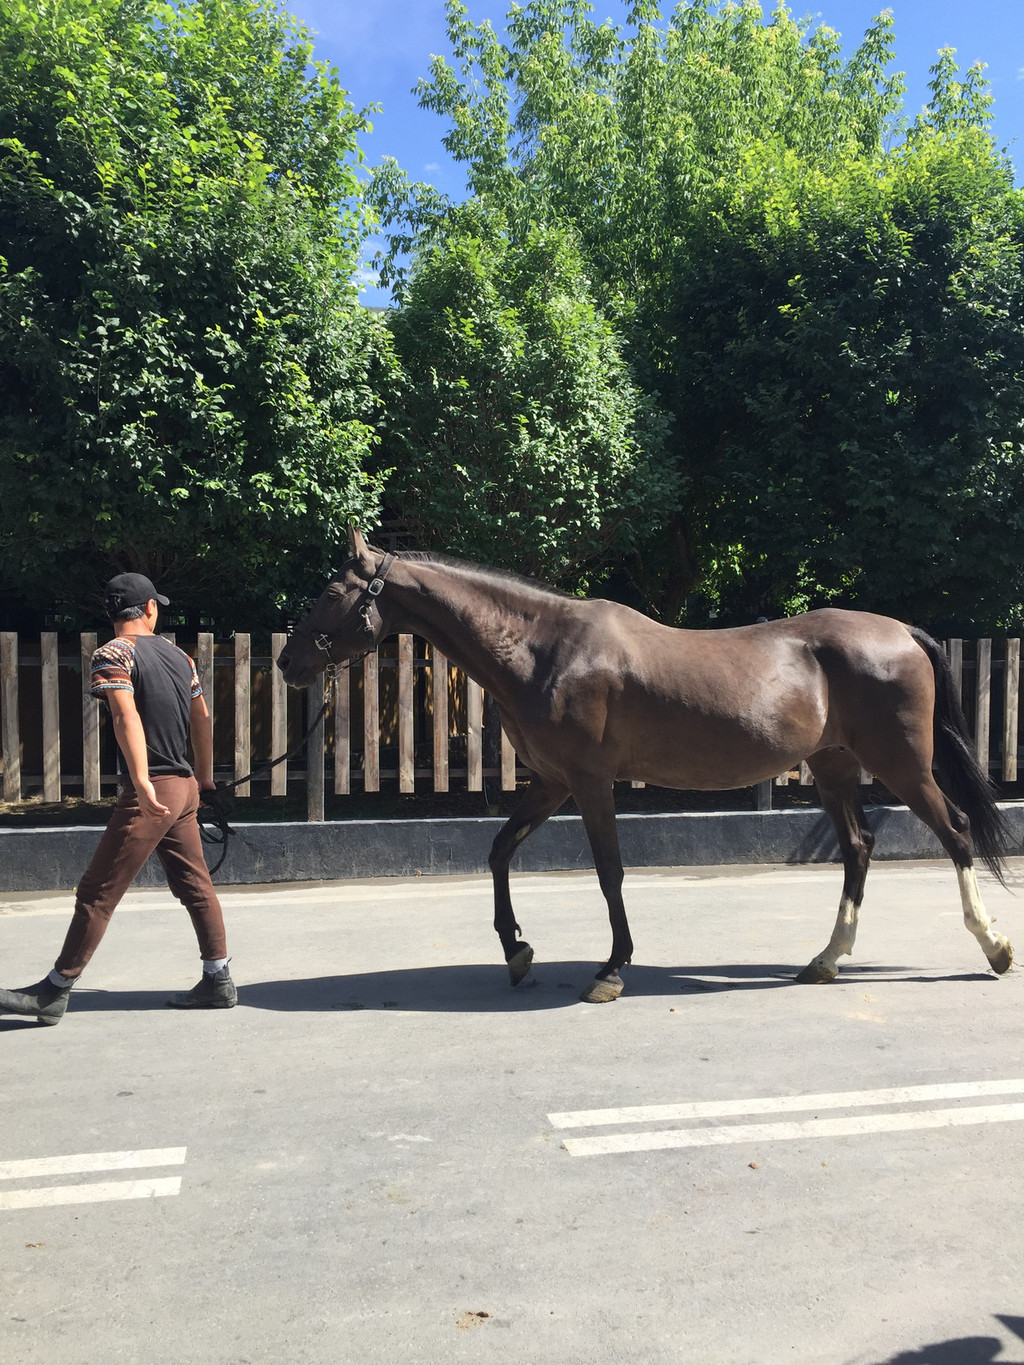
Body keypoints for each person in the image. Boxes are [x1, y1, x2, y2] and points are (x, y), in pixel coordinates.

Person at [0, 573, 236, 1025]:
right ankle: (218, 978)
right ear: (150, 609)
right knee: (195, 886)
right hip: (184, 786)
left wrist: (141, 780)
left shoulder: (113, 653)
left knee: (96, 891)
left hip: (154, 791)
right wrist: (204, 782)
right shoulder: (181, 658)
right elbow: (202, 720)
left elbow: (124, 715)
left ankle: (56, 990)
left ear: (113, 614)